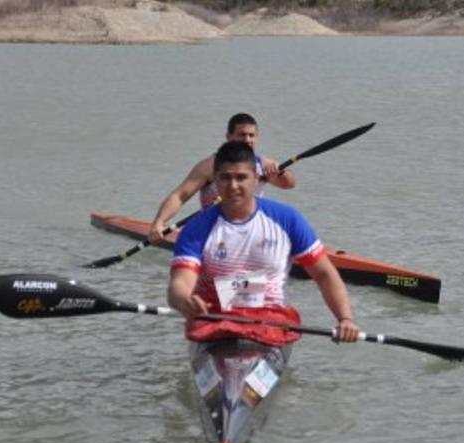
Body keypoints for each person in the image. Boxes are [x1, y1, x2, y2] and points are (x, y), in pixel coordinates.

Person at [168, 140, 359, 346]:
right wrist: (183, 301)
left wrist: (345, 319)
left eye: (241, 177)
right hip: (213, 318)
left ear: (256, 179)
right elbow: (180, 282)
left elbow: (324, 274)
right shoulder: (196, 228)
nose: (233, 186)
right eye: (225, 177)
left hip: (269, 319)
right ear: (214, 179)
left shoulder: (287, 219)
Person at [148, 113, 296, 243]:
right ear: (228, 137)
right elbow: (180, 196)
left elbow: (289, 184)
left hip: (251, 228)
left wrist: (281, 173)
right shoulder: (209, 166)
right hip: (216, 229)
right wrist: (160, 223)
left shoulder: (264, 164)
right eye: (242, 135)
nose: (247, 140)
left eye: (251, 135)